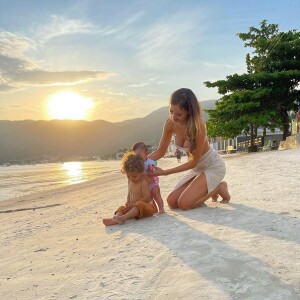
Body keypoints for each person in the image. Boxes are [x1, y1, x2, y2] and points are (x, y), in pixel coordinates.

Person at [148, 88, 230, 210]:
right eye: (171, 111)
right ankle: (207, 188)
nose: (173, 117)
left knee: (184, 204)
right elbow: (160, 151)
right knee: (172, 202)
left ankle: (219, 188)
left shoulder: (198, 126)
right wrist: (141, 161)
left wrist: (165, 172)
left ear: (189, 112)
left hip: (212, 166)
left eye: (178, 114)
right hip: (197, 169)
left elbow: (193, 162)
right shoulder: (170, 123)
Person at [102, 152, 157, 226]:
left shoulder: (143, 182)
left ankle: (123, 218)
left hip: (147, 208)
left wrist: (133, 204)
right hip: (132, 207)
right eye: (128, 176)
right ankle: (117, 218)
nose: (131, 178)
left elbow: (147, 198)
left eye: (134, 176)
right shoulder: (130, 181)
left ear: (141, 173)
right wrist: (128, 203)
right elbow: (129, 193)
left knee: (138, 205)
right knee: (122, 208)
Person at [132, 142, 165, 214]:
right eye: (136, 156)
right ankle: (155, 209)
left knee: (156, 195)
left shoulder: (150, 161)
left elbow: (154, 169)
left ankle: (161, 208)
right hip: (144, 185)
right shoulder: (137, 164)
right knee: (149, 198)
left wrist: (151, 168)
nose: (138, 157)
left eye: (140, 155)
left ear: (146, 153)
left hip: (153, 182)